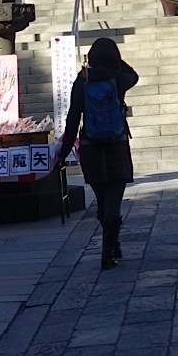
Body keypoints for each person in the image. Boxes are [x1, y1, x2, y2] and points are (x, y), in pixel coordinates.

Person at [55, 37, 140, 270]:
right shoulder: (119, 79)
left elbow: (73, 118)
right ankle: (110, 250)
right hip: (116, 144)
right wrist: (117, 63)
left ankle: (111, 245)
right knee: (114, 199)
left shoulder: (82, 82)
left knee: (102, 200)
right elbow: (134, 75)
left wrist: (64, 152)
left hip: (91, 147)